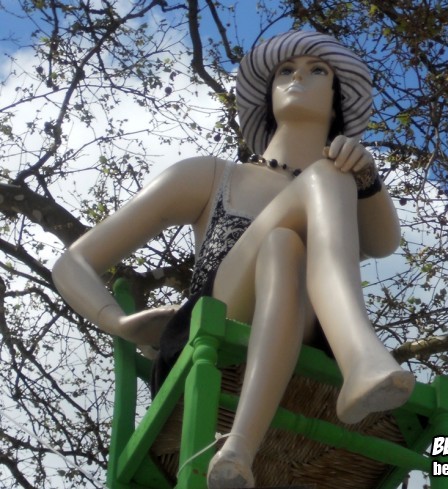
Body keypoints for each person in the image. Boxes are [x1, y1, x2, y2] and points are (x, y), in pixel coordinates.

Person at [52, 30, 415, 489]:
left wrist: (366, 175)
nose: (297, 77)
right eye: (286, 70)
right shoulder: (213, 176)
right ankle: (360, 359)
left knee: (285, 244)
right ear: (267, 94)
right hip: (221, 320)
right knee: (325, 180)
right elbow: (72, 262)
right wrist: (120, 323)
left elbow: (384, 243)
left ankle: (239, 447)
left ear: (338, 100)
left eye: (317, 71)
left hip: (304, 342)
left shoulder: (348, 191)